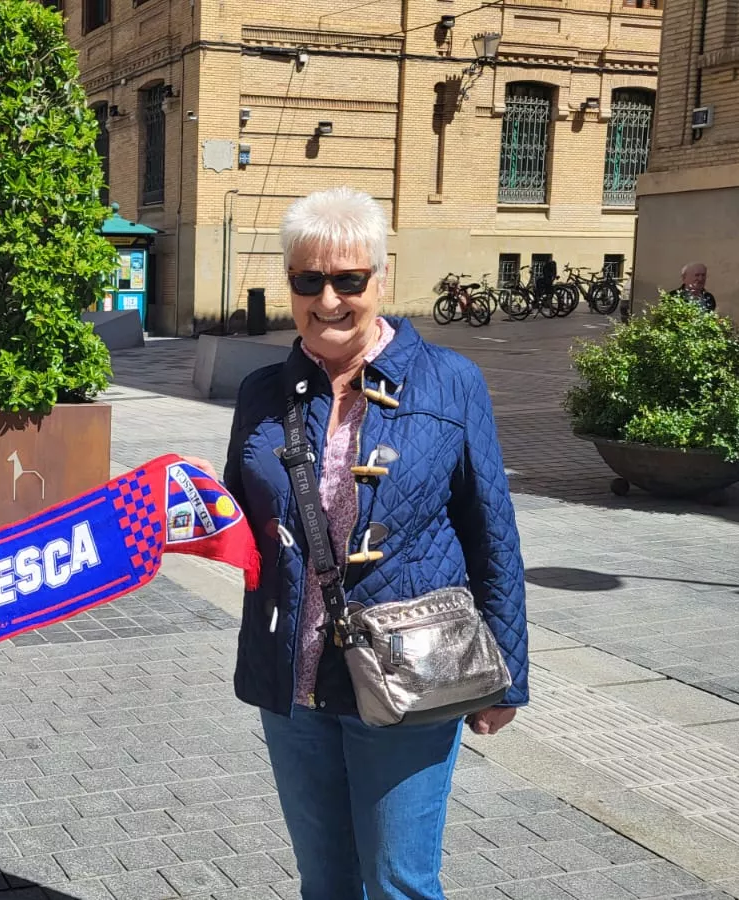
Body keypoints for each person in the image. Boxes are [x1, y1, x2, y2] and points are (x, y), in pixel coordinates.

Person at [222, 187, 527, 900]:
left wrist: (508, 673)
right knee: (324, 882)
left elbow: (494, 531)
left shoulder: (450, 382)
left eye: (348, 280)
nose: (327, 299)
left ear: (379, 281)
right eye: (308, 280)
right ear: (289, 285)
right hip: (292, 680)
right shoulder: (263, 392)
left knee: (398, 884)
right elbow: (240, 516)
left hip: (410, 673)